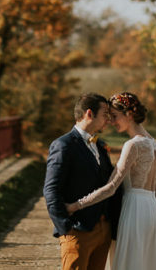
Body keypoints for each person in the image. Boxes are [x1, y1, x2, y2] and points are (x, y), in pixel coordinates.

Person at [65, 92, 156, 270]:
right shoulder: (152, 142)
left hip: (134, 210)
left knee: (132, 263)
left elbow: (111, 187)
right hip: (151, 209)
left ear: (129, 114)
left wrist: (75, 206)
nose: (112, 122)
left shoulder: (133, 145)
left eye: (115, 116)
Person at [44, 93, 122, 270]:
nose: (108, 120)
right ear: (89, 113)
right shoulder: (63, 145)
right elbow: (51, 189)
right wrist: (66, 229)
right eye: (104, 114)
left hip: (104, 230)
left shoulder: (100, 145)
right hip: (78, 231)